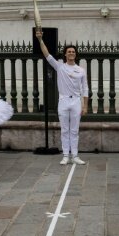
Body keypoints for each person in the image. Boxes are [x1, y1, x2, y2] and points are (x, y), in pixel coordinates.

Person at [34, 29, 88, 165]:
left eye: (73, 52)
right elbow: (47, 55)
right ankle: (65, 155)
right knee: (64, 129)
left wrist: (85, 105)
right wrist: (40, 40)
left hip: (76, 101)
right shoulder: (60, 67)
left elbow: (85, 88)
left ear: (76, 55)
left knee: (74, 130)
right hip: (63, 100)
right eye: (69, 51)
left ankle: (75, 155)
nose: (71, 53)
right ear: (65, 54)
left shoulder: (81, 70)